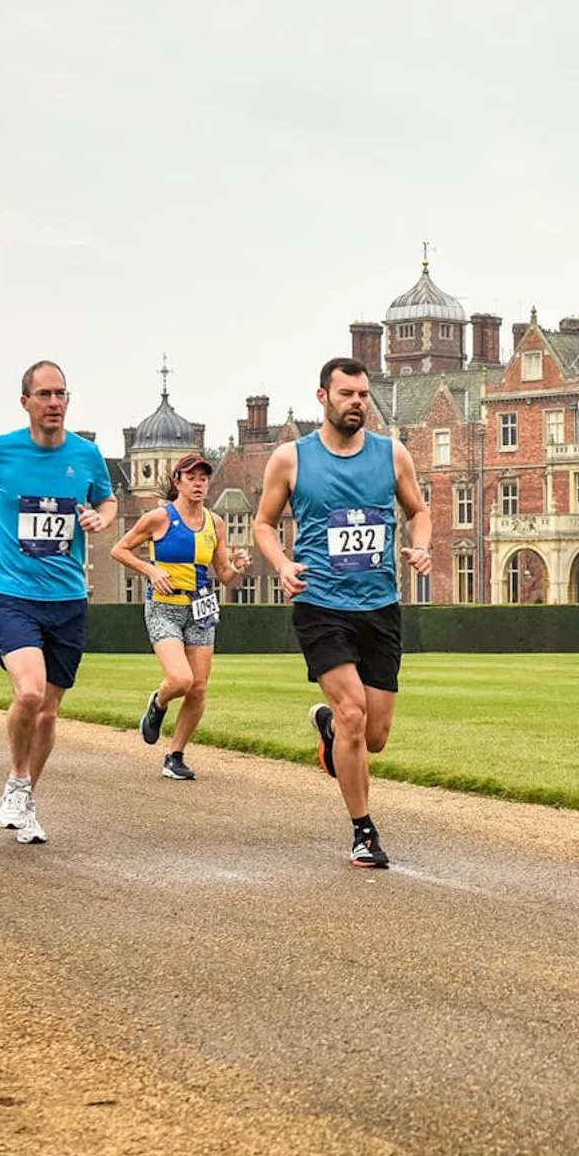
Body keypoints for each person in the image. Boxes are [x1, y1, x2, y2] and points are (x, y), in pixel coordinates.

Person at [254, 356, 431, 868]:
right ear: (323, 398)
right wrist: (283, 564)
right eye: (346, 394)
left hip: (380, 606)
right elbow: (264, 523)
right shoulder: (291, 459)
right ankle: (363, 831)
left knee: (373, 737)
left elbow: (418, 511)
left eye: (362, 395)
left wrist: (421, 546)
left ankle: (330, 730)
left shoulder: (392, 454)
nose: (356, 403)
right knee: (356, 713)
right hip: (320, 605)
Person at [0, 360, 114, 844]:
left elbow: (105, 500)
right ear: (25, 402)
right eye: (44, 395)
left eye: (61, 394)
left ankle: (23, 793)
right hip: (11, 593)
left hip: (67, 597)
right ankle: (19, 783)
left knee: (48, 710)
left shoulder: (87, 456)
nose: (54, 403)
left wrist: (102, 519)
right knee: (28, 693)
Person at [109, 452, 249, 780]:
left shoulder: (215, 523)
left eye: (203, 478)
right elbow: (119, 549)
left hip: (200, 609)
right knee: (181, 680)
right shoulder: (159, 518)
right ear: (178, 482)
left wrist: (238, 568)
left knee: (198, 689)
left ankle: (175, 756)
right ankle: (158, 703)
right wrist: (150, 569)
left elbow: (225, 576)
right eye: (191, 478)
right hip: (164, 607)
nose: (198, 484)